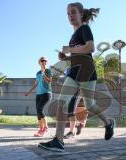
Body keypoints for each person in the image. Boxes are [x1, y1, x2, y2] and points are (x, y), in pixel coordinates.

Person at [38, 2, 114, 152]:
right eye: (68, 14)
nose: (70, 16)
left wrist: (69, 49)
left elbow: (90, 47)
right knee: (62, 102)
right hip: (74, 73)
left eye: (73, 12)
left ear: (80, 14)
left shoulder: (84, 28)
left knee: (90, 105)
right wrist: (65, 57)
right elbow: (78, 55)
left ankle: (108, 123)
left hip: (87, 72)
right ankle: (58, 141)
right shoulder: (74, 35)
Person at [25, 57, 52, 137]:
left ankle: (46, 127)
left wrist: (44, 73)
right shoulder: (37, 73)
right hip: (38, 94)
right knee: (38, 112)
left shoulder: (48, 71)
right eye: (42, 60)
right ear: (39, 62)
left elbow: (49, 81)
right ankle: (41, 129)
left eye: (45, 61)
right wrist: (29, 92)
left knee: (40, 109)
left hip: (46, 93)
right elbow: (36, 84)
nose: (44, 62)